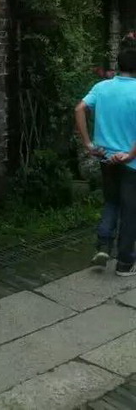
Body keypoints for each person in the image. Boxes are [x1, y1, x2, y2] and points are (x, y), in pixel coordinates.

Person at [75, 48, 136, 276]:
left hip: (105, 157)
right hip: (131, 162)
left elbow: (79, 108)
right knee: (130, 212)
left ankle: (103, 246)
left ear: (118, 65)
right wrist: (130, 154)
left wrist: (88, 144)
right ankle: (125, 264)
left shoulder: (102, 87)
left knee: (111, 202)